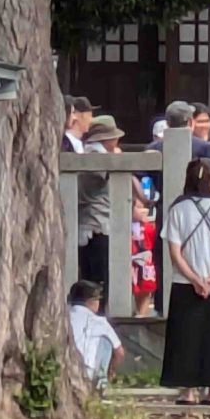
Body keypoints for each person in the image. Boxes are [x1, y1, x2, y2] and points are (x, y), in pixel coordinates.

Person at [160, 158, 210, 406]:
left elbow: (175, 252)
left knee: (186, 337)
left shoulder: (178, 209)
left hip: (185, 282)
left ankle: (188, 390)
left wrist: (195, 279)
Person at [77, 119, 128, 297]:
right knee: (98, 277)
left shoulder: (89, 153)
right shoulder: (96, 156)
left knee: (94, 273)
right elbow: (102, 175)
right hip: (96, 222)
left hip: (93, 220)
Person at [68, 280, 124, 391]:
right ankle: (101, 383)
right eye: (98, 300)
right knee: (105, 342)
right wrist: (111, 371)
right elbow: (120, 352)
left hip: (65, 368)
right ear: (91, 301)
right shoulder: (98, 321)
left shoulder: (62, 316)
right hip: (88, 371)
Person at [131, 200, 158, 317]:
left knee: (146, 290)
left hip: (146, 261)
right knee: (136, 290)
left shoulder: (149, 227)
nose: (143, 210)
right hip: (132, 262)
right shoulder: (126, 226)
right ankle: (139, 313)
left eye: (144, 207)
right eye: (138, 207)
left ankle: (142, 315)